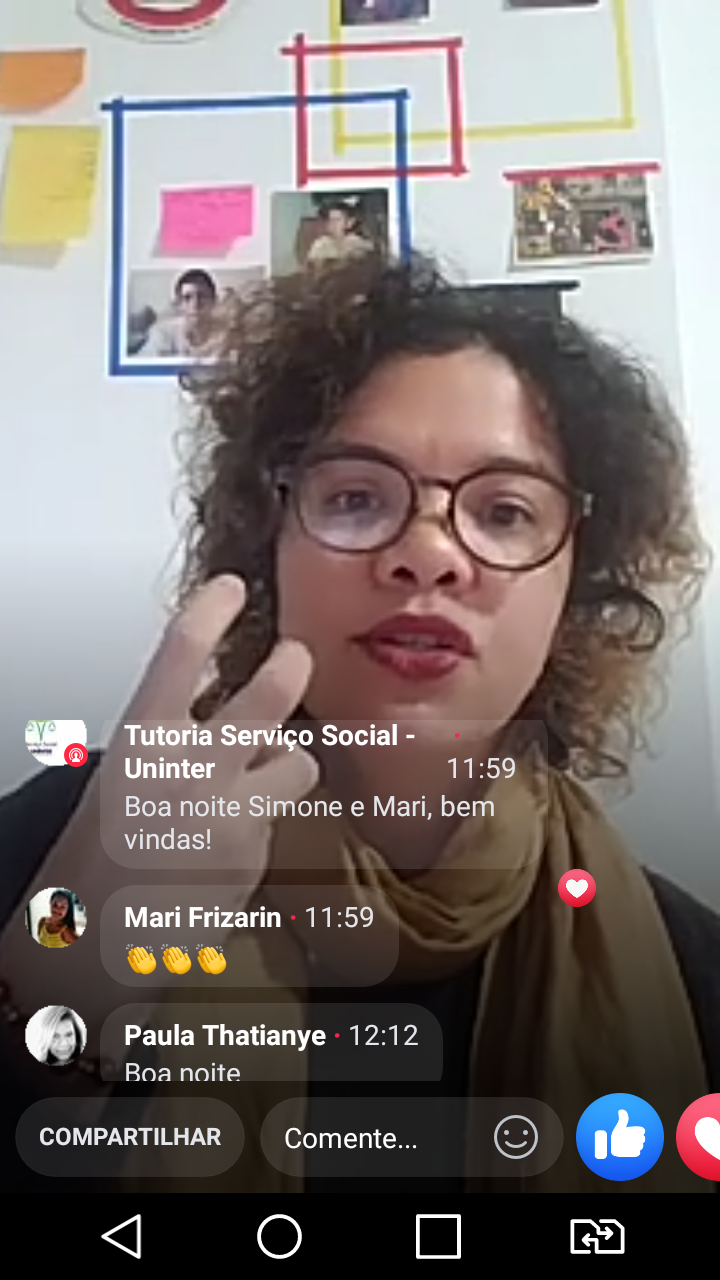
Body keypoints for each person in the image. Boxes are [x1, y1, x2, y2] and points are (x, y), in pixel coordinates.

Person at [0, 257, 719, 1197]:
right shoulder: (68, 838)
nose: (428, 553)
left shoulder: (693, 973)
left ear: (576, 586)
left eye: (505, 512)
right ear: (268, 546)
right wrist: (56, 986)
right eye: (354, 498)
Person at [140, 268, 223, 359]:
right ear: (179, 304)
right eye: (187, 298)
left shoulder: (228, 334)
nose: (195, 304)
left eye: (202, 296)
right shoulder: (163, 333)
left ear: (214, 301)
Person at [306, 201, 375, 268]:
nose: (333, 224)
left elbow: (369, 257)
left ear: (350, 223)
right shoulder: (321, 243)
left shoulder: (356, 242)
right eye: (330, 219)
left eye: (337, 220)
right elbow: (312, 265)